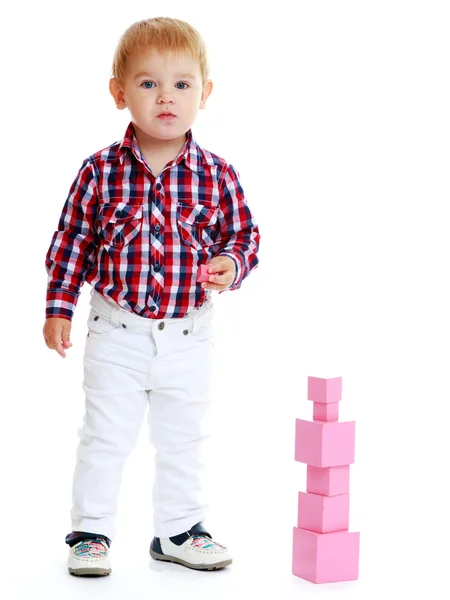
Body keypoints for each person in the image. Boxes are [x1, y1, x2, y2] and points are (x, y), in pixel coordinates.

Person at [43, 16, 260, 577]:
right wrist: (58, 308)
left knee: (184, 437)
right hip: (116, 331)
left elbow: (245, 236)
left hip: (189, 334)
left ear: (204, 95)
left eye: (182, 84)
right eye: (148, 83)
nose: (167, 96)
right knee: (104, 435)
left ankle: (179, 530)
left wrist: (229, 264)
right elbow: (71, 243)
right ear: (119, 93)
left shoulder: (217, 175)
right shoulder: (100, 172)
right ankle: (90, 532)